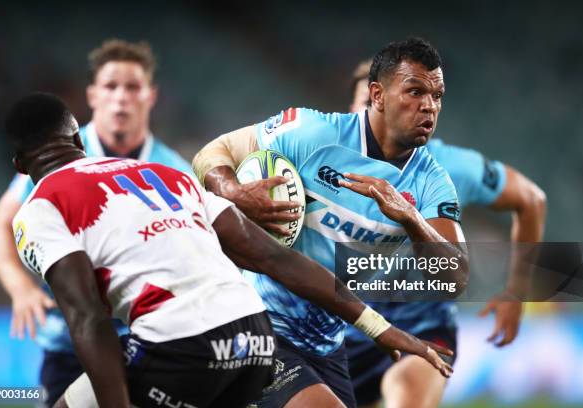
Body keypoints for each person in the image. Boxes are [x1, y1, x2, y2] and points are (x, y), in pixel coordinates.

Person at [7, 92, 453, 408]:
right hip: (258, 339)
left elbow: (86, 317)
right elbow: (274, 258)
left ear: (21, 166)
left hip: (180, 348)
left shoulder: (40, 208)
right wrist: (379, 326)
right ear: (80, 141)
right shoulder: (165, 174)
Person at [192, 37, 468, 408]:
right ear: (378, 95)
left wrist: (412, 219)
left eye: (437, 96)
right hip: (258, 324)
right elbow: (214, 151)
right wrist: (233, 191)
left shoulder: (433, 183)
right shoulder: (313, 132)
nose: (429, 107)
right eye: (415, 91)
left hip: (327, 344)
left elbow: (454, 278)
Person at [0, 39, 191, 406]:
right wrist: (20, 287)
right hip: (68, 342)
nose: (121, 98)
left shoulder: (171, 169)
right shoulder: (51, 152)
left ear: (151, 96)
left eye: (133, 87)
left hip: (142, 342)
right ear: (92, 95)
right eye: (111, 87)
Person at [345, 59, 547, 407]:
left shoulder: (452, 168)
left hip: (423, 327)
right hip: (344, 330)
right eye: (367, 104)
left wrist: (517, 291)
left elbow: (532, 200)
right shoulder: (325, 165)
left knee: (407, 396)